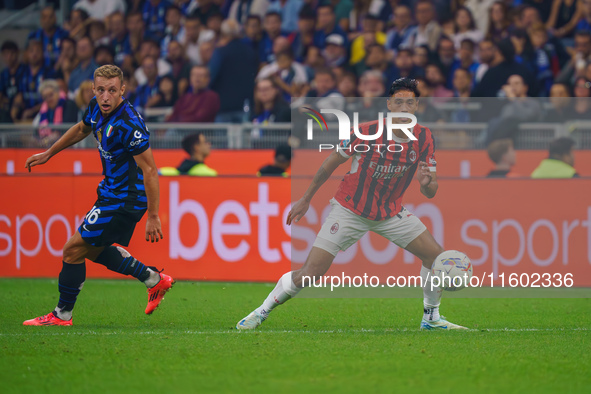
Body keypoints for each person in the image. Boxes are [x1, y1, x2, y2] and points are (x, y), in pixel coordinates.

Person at [237, 78, 467, 331]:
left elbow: (431, 191)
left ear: (416, 106)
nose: (403, 107)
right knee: (311, 272)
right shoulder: (367, 132)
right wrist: (306, 198)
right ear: (389, 105)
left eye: (409, 102)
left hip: (390, 213)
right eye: (398, 102)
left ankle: (431, 318)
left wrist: (426, 183)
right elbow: (330, 163)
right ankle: (261, 311)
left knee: (435, 256)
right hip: (350, 210)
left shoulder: (424, 137)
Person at [23, 64, 174, 326]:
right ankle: (153, 279)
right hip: (110, 192)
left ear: (122, 91)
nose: (105, 96)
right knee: (91, 250)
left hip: (126, 198)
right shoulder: (95, 106)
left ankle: (62, 315)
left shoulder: (129, 124)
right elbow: (82, 129)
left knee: (72, 250)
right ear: (93, 89)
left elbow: (150, 170)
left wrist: (153, 215)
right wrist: (48, 153)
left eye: (112, 91)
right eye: (101, 90)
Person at [34, 79, 78, 146]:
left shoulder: (69, 105)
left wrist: (49, 139)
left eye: (51, 95)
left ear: (58, 92)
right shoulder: (43, 111)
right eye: (45, 97)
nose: (49, 98)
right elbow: (36, 131)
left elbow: (67, 128)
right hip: (47, 145)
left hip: (69, 145)